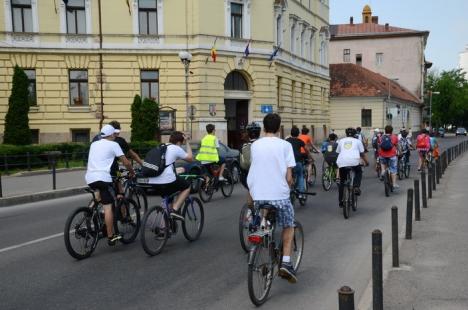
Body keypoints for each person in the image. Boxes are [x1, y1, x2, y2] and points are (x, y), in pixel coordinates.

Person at [247, 113, 297, 283]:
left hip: (257, 194)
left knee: (264, 209)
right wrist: (289, 188)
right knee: (289, 225)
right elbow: (289, 177)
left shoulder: (255, 145)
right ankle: (286, 263)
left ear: (263, 127)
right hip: (279, 195)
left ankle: (262, 226)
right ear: (279, 127)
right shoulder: (285, 145)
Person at [85, 124, 135, 246]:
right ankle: (111, 236)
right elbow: (126, 162)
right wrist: (132, 171)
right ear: (112, 134)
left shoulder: (94, 144)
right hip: (103, 178)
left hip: (90, 178)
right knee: (108, 206)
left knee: (100, 197)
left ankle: (90, 212)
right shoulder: (114, 144)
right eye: (114, 134)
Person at [143, 131, 193, 220]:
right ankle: (175, 209)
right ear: (178, 142)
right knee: (187, 186)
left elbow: (164, 165)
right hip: (166, 180)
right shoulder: (176, 148)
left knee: (169, 196)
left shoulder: (161, 146)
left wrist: (176, 171)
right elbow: (190, 158)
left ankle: (164, 227)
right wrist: (188, 142)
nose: (181, 146)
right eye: (182, 144)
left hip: (152, 180)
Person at [336, 128, 369, 207]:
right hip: (354, 161)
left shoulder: (341, 141)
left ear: (346, 134)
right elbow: (362, 154)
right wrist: (366, 162)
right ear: (355, 134)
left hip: (342, 162)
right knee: (358, 172)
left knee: (342, 182)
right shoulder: (358, 141)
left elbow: (338, 152)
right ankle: (356, 187)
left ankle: (341, 201)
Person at [239, 122, 261, 207]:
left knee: (250, 190)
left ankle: (250, 213)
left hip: (246, 177)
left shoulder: (244, 146)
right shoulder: (262, 144)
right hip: (260, 175)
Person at [286, 126, 306, 198]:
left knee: (287, 176)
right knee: (300, 175)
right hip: (297, 162)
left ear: (291, 133)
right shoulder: (300, 141)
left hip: (288, 164)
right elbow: (306, 150)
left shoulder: (287, 140)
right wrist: (310, 157)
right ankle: (301, 193)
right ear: (298, 134)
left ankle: (287, 193)